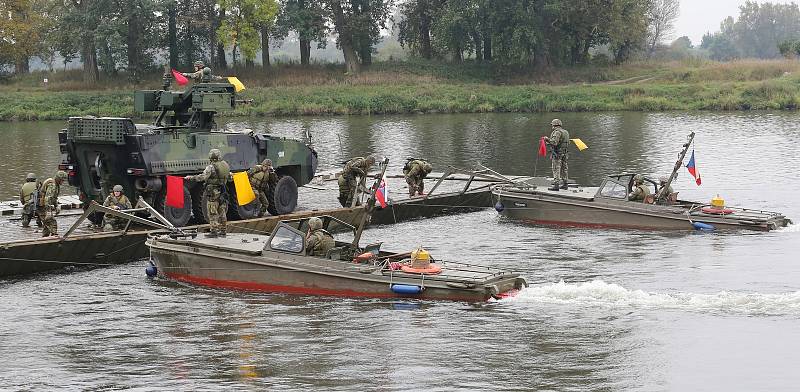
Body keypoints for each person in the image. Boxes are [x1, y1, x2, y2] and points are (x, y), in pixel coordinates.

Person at [186, 149, 231, 237]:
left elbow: (202, 177)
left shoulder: (211, 167)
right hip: (222, 191)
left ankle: (214, 231)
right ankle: (223, 230)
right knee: (222, 211)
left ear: (211, 156)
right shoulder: (225, 165)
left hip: (213, 192)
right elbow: (229, 177)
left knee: (212, 211)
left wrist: (190, 177)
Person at [543, 118, 570, 191]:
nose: (552, 127)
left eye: (552, 125)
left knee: (556, 168)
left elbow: (554, 142)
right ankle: (565, 184)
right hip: (565, 153)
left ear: (554, 125)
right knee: (564, 169)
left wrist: (547, 139)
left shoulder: (557, 132)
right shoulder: (566, 132)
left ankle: (556, 185)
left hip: (557, 154)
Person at [36, 171, 67, 237]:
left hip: (42, 206)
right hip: (42, 206)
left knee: (46, 224)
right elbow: (47, 198)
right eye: (62, 180)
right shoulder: (52, 185)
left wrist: (56, 206)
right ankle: (54, 236)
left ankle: (45, 238)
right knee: (52, 222)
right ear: (58, 179)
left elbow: (54, 198)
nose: (63, 182)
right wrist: (48, 211)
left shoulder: (56, 185)